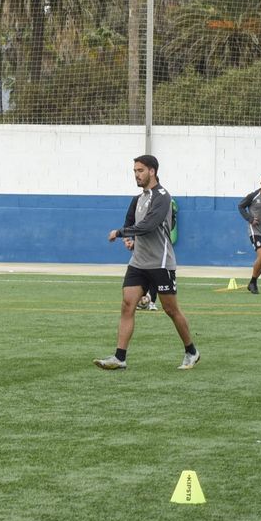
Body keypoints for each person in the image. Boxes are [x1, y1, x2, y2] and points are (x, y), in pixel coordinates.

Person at [96, 155, 200, 371]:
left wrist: (120, 232)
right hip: (139, 261)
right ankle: (120, 357)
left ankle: (191, 351)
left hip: (160, 262)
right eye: (135, 171)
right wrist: (128, 238)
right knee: (127, 304)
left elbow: (149, 225)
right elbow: (131, 221)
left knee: (170, 309)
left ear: (152, 171)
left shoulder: (162, 196)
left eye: (140, 170)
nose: (136, 174)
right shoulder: (138, 199)